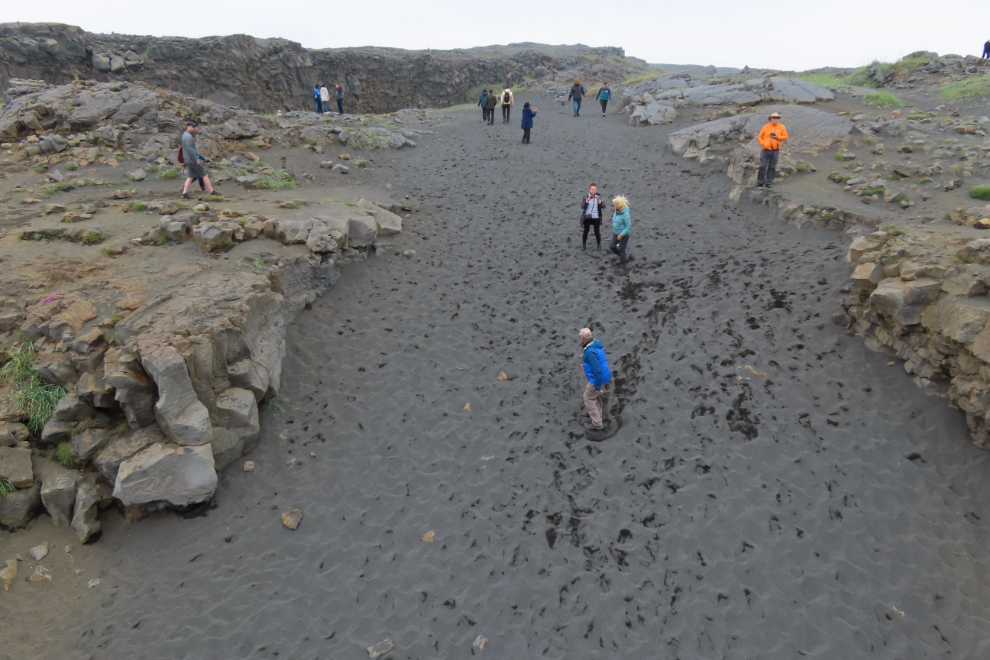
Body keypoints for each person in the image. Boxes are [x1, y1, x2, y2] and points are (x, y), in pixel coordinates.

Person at [579, 328, 611, 430]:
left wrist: (597, 387)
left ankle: (597, 423)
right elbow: (596, 360)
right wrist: (586, 365)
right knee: (594, 396)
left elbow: (597, 370)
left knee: (588, 397)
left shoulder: (590, 351)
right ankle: (597, 415)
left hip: (598, 378)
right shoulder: (596, 343)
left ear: (583, 339)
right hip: (604, 374)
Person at [181, 121, 214, 198]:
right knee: (205, 175)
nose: (194, 128)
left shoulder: (184, 135)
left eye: (195, 127)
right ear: (188, 126)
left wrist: (202, 158)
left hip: (188, 160)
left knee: (191, 177)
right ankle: (212, 191)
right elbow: (190, 150)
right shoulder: (189, 137)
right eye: (193, 127)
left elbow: (190, 150)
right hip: (192, 160)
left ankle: (184, 193)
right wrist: (196, 159)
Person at [756, 112, 788, 188]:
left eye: (777, 118)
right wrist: (762, 143)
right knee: (763, 166)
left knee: (772, 166)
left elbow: (785, 137)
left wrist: (777, 137)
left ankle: (769, 183)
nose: (775, 119)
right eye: (774, 118)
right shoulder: (765, 127)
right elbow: (759, 137)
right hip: (765, 150)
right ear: (770, 119)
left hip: (775, 150)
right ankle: (760, 182)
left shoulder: (782, 127)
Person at [580, 183, 604, 252]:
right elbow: (582, 206)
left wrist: (599, 201)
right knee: (586, 231)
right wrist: (587, 200)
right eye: (592, 189)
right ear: (589, 189)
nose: (593, 191)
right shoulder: (585, 197)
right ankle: (584, 245)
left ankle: (598, 245)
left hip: (596, 216)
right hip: (587, 216)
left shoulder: (599, 196)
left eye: (594, 189)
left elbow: (604, 206)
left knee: (597, 231)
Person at [609, 195, 630, 271]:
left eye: (617, 204)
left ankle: (624, 266)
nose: (615, 205)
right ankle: (622, 256)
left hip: (624, 235)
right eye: (615, 204)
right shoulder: (616, 211)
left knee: (622, 249)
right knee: (612, 246)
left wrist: (621, 235)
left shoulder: (625, 214)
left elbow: (628, 227)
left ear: (621, 205)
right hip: (616, 233)